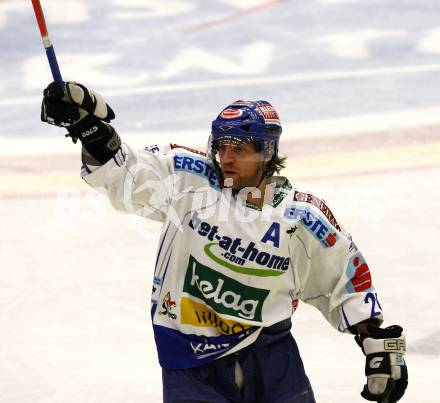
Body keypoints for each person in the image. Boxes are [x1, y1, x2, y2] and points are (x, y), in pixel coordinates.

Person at [41, 81, 408, 403]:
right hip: (189, 359)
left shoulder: (301, 220)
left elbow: (343, 278)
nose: (226, 158)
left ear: (267, 152)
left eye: (239, 149)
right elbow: (125, 173)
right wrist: (88, 126)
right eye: (222, 146)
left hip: (272, 353)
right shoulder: (188, 179)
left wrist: (377, 343)